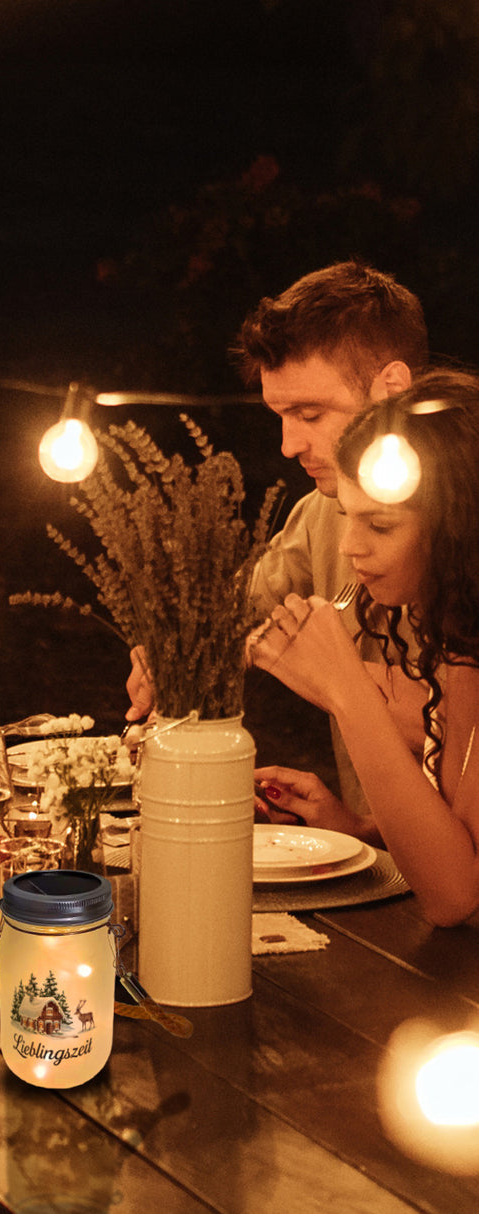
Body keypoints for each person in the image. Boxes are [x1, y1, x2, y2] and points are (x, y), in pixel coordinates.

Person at [125, 261, 429, 811]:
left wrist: (334, 677)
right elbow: (230, 618)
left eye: (310, 413)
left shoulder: (462, 515)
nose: (288, 444)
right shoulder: (322, 512)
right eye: (279, 415)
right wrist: (170, 652)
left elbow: (458, 731)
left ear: (391, 388)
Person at [250, 370, 479, 927]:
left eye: (379, 524)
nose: (351, 547)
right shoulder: (460, 646)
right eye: (349, 519)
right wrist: (360, 828)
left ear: (460, 526)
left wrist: (347, 691)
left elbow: (457, 897)